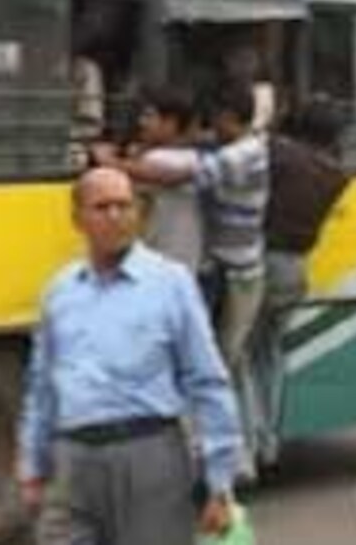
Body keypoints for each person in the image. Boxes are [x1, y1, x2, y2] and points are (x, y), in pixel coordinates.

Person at [18, 168, 242, 545]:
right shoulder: (60, 291)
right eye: (102, 207)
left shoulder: (170, 283)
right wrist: (32, 464)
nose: (115, 217)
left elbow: (206, 381)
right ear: (78, 220)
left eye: (124, 206)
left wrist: (219, 482)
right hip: (72, 462)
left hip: (149, 458)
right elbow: (42, 387)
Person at [94, 83, 269, 479]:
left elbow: (185, 172)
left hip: (234, 275)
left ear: (232, 118)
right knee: (218, 367)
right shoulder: (205, 151)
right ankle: (231, 459)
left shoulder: (240, 155)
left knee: (209, 370)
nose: (142, 122)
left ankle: (218, 464)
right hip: (215, 271)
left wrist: (112, 164)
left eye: (151, 116)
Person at [252, 98, 350, 465]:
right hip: (296, 270)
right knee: (272, 354)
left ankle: (253, 442)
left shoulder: (283, 155)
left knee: (245, 355)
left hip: (265, 262)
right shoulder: (337, 173)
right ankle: (269, 439)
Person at [131, 87, 204, 276]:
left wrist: (105, 159)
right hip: (188, 264)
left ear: (170, 123)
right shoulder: (194, 157)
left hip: (159, 265)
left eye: (149, 117)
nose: (141, 123)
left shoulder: (156, 159)